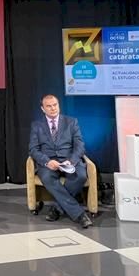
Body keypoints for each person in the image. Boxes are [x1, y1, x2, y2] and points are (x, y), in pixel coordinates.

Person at [29, 94, 92, 228]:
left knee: (80, 176)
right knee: (47, 177)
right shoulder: (37, 125)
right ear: (42, 109)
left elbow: (80, 145)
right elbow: (33, 150)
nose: (53, 108)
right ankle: (80, 214)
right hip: (49, 163)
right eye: (49, 106)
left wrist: (72, 161)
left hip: (69, 161)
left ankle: (57, 208)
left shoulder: (71, 122)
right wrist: (47, 162)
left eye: (55, 105)